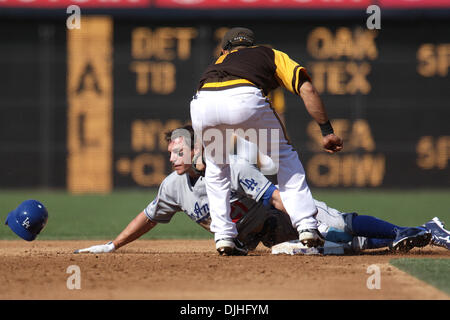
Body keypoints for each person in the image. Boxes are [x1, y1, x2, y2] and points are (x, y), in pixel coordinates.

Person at [74, 126, 449, 255]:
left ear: (197, 149)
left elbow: (274, 197)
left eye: (179, 150)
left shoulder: (231, 168)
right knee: (335, 250)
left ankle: (417, 230)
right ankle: (416, 235)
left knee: (341, 224)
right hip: (259, 235)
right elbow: (149, 216)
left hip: (283, 212)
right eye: (170, 151)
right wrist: (113, 244)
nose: (172, 156)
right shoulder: (173, 186)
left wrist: (307, 219)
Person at [190, 27, 343, 255]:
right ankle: (306, 225)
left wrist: (198, 152)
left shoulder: (216, 63)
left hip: (202, 103)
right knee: (283, 155)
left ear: (224, 49)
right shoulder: (268, 53)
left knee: (217, 168)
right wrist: (326, 130)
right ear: (251, 46)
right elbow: (307, 88)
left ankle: (223, 236)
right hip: (243, 98)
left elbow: (206, 109)